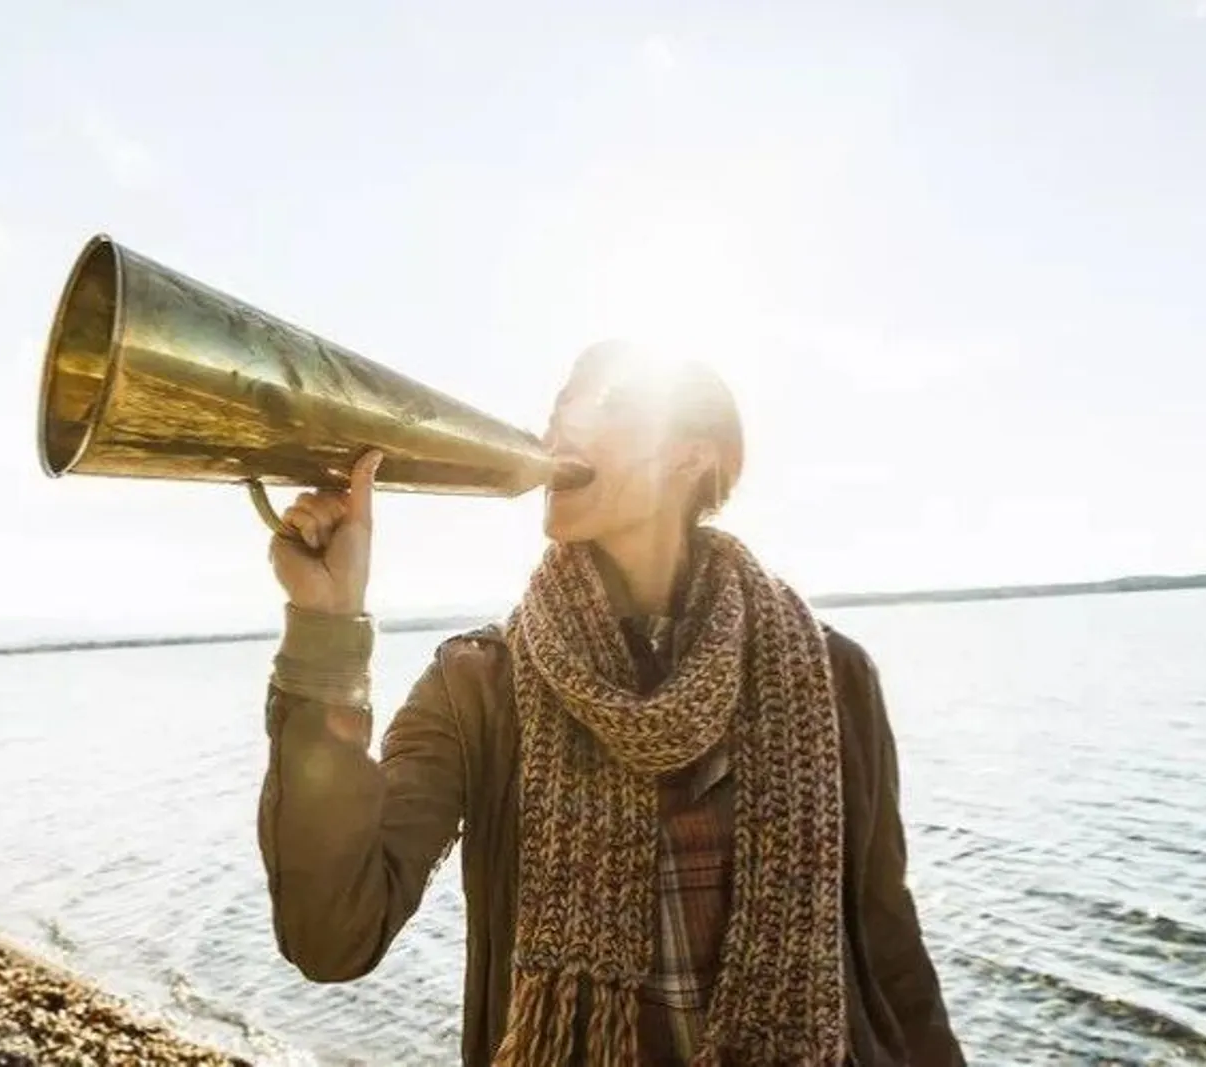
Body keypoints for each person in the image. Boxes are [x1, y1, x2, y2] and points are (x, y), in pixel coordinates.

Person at [256, 341, 964, 1066]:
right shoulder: (478, 685)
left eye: (610, 405)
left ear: (695, 455)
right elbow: (333, 934)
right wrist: (326, 629)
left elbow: (889, 948)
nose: (561, 429)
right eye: (558, 408)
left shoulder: (832, 675)